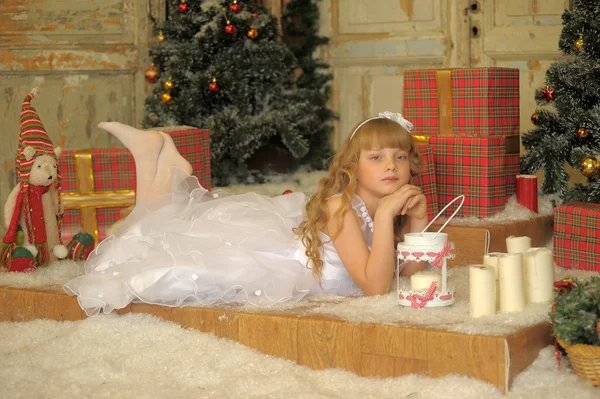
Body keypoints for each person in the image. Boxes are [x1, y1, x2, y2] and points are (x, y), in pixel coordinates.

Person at [63, 113, 428, 316]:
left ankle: (157, 160)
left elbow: (405, 273)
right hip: (269, 263)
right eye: (376, 158)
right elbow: (376, 287)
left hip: (288, 254)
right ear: (353, 165)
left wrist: (416, 220)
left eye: (399, 157)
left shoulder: (383, 204)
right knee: (164, 261)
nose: (391, 167)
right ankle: (152, 160)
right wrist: (386, 221)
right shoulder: (342, 207)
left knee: (170, 235)